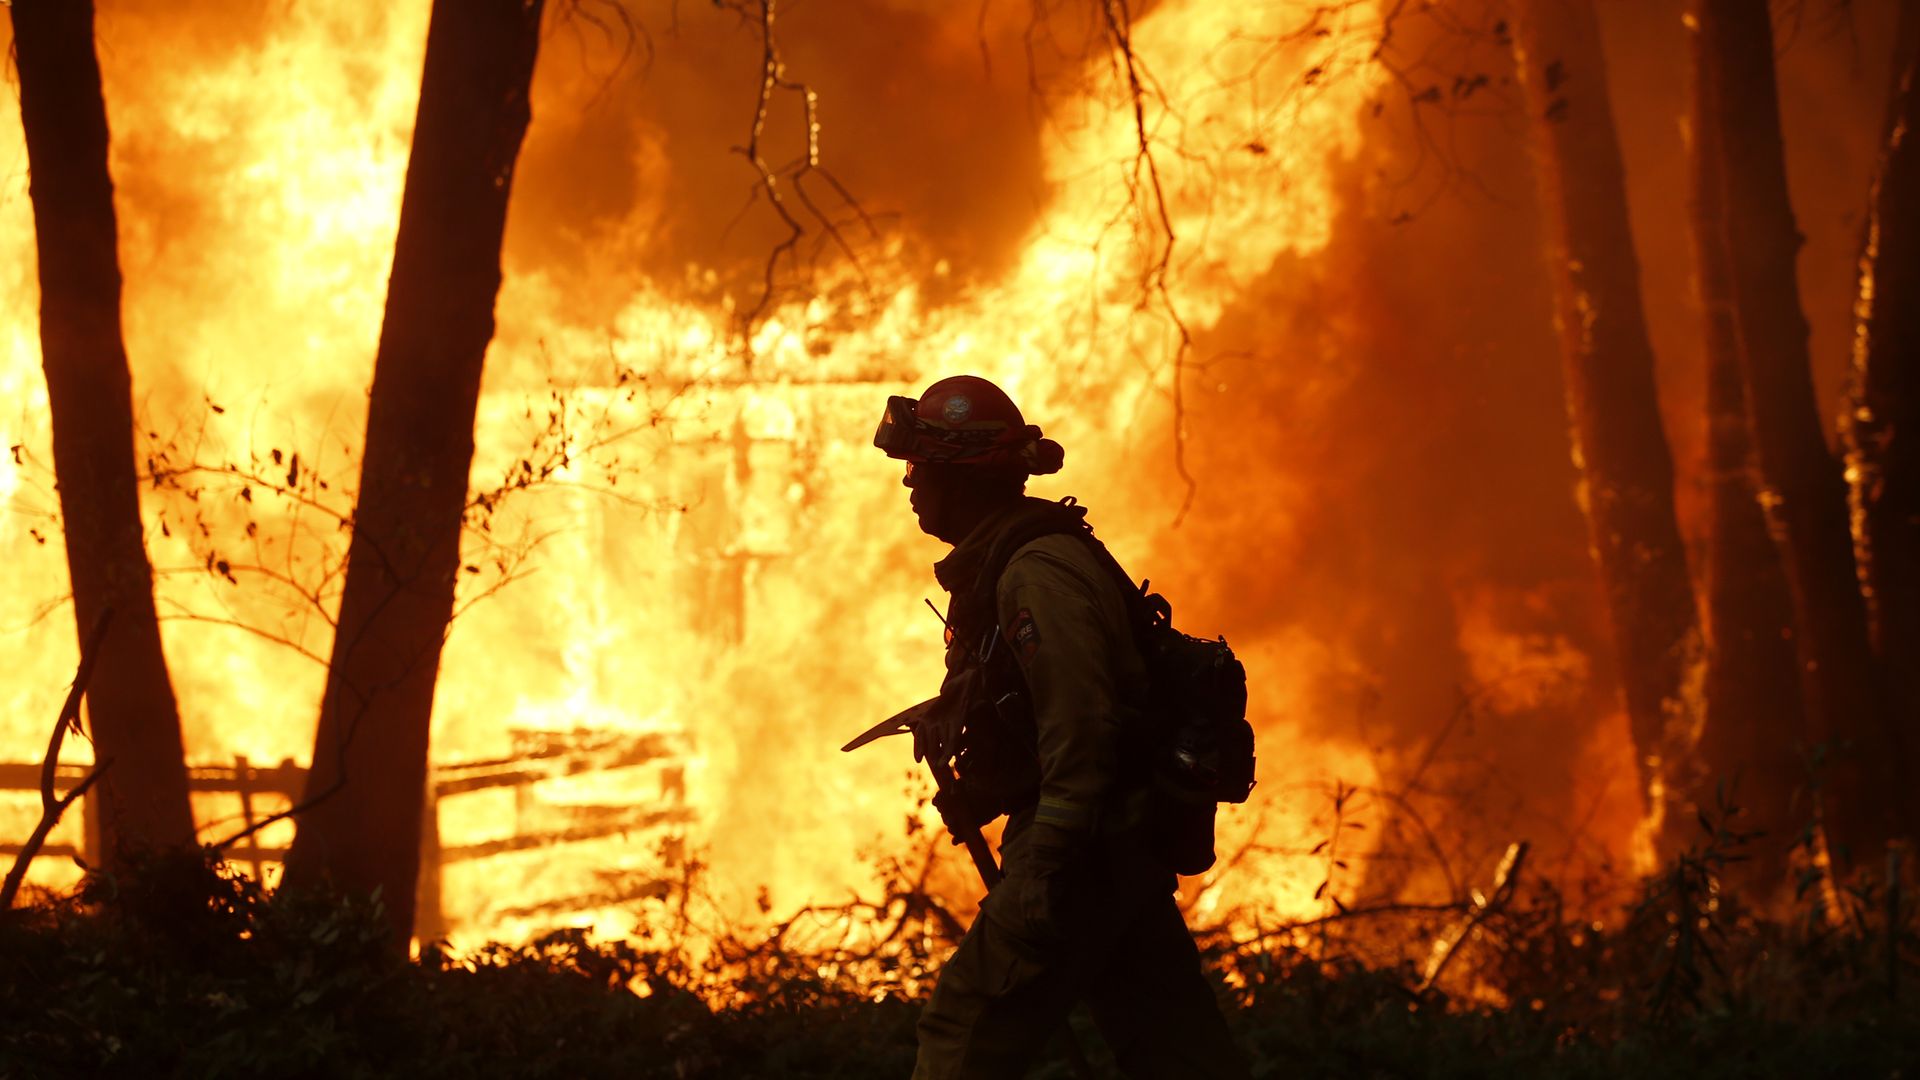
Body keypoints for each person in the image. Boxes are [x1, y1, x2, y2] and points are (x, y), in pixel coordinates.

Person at [872, 374, 1248, 1079]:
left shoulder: (1034, 573)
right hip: (1115, 847)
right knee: (1177, 1053)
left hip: (1082, 848)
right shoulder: (1017, 562)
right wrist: (982, 783)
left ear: (968, 476)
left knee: (964, 1029)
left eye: (923, 465)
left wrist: (1047, 862)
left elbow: (1082, 723)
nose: (911, 482)